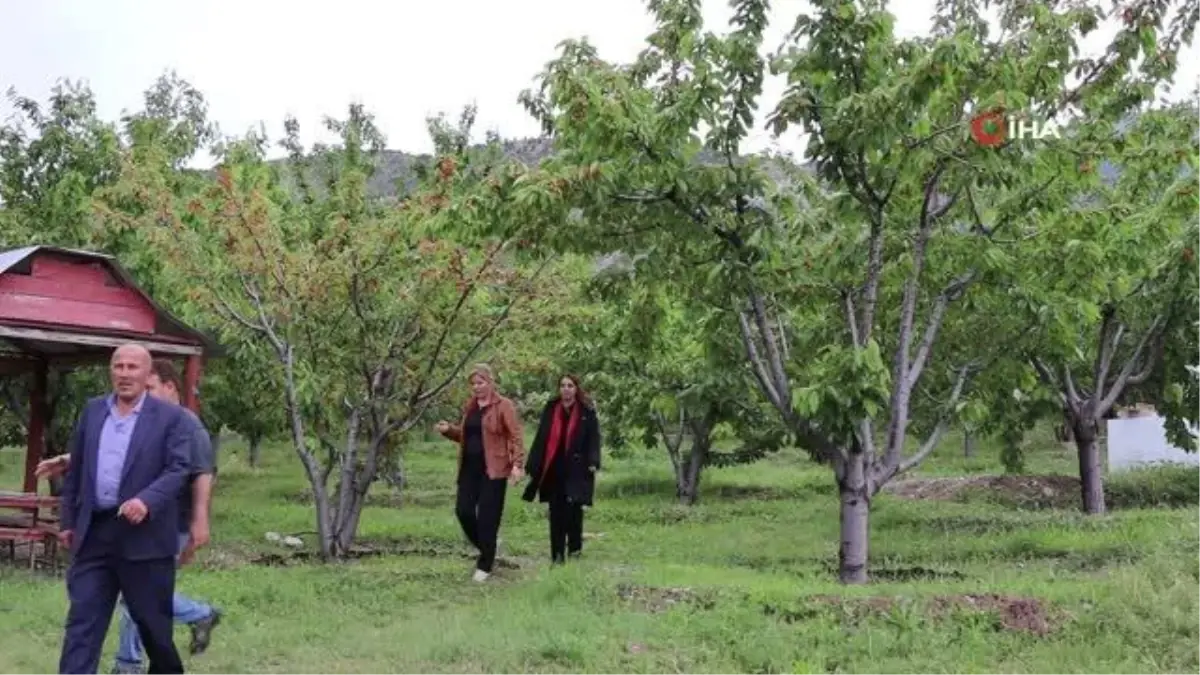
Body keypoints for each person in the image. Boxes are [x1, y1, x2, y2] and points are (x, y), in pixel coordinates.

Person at [39, 360, 224, 674]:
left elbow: (199, 472)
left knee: (147, 608)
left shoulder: (184, 422)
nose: (140, 389)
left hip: (162, 525)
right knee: (91, 612)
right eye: (118, 367)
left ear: (170, 387)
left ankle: (188, 621)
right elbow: (120, 452)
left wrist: (199, 519)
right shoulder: (107, 413)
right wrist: (71, 461)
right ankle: (128, 661)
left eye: (149, 386)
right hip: (105, 528)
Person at [434, 364, 524, 582]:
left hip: (493, 470)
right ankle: (488, 546)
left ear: (490, 382)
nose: (476, 387)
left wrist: (517, 464)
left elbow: (515, 436)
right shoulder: (471, 407)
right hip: (468, 469)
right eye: (473, 384)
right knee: (463, 511)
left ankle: (485, 563)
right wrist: (450, 431)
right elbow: (468, 437)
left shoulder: (504, 406)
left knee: (487, 519)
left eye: (480, 382)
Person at [522, 374, 601, 563]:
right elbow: (541, 437)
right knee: (556, 512)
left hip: (577, 468)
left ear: (576, 389)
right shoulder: (551, 408)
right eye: (563, 385)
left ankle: (574, 552)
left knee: (574, 511)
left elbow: (593, 438)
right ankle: (557, 557)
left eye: (570, 385)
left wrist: (593, 461)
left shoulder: (586, 411)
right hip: (554, 467)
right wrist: (533, 464)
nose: (566, 389)